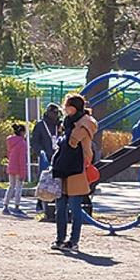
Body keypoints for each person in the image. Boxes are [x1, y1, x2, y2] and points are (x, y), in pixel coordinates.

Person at [52, 93, 97, 253]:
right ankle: (60, 238)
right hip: (63, 166)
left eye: (67, 106)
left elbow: (72, 141)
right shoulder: (68, 122)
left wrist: (64, 135)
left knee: (75, 206)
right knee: (60, 206)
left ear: (74, 107)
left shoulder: (86, 122)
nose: (64, 109)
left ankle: (73, 240)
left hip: (77, 168)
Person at [3, 123, 28, 216]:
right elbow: (22, 159)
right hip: (18, 168)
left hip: (11, 166)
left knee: (11, 187)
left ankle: (5, 205)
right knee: (19, 188)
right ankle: (16, 206)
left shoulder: (11, 141)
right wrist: (23, 173)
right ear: (22, 132)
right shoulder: (22, 143)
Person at [31, 103, 61, 177]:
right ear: (48, 112)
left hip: (59, 157)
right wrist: (42, 152)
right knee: (44, 181)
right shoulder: (40, 125)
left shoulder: (60, 125)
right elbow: (35, 141)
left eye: (57, 113)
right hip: (45, 158)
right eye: (53, 113)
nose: (55, 115)